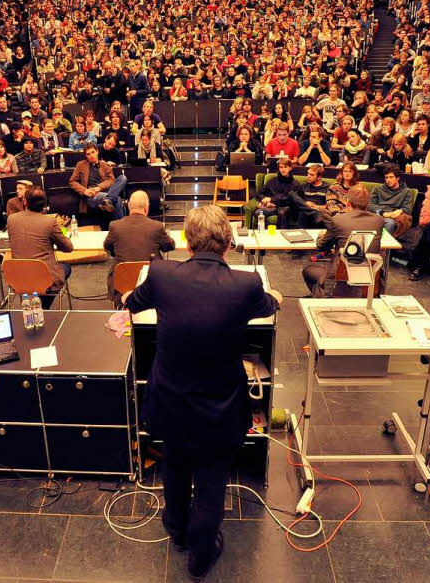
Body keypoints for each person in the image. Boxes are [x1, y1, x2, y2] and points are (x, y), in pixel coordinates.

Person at [122, 204, 281, 579]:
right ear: (228, 242)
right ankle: (201, 555)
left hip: (170, 401)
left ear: (186, 243)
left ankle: (177, 532)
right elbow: (269, 306)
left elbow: (133, 302)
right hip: (220, 406)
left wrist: (134, 293)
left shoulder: (161, 274)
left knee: (175, 465)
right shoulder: (246, 284)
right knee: (212, 477)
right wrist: (276, 296)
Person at [302, 184, 385, 295]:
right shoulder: (379, 221)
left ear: (347, 203)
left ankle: (324, 296)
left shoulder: (338, 220)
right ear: (368, 204)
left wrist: (322, 235)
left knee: (308, 270)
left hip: (340, 278)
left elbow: (322, 245)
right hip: (369, 278)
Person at [5, 187, 73, 306]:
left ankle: (38, 306)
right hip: (43, 278)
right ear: (45, 205)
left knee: (40, 273)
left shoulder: (11, 219)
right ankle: (42, 307)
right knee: (66, 267)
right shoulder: (49, 222)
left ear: (25, 201)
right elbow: (68, 248)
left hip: (17, 276)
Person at [103, 190, 174, 302]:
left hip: (121, 283)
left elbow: (107, 246)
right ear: (147, 207)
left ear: (129, 205)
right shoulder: (157, 227)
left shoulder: (115, 226)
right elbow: (169, 246)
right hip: (150, 281)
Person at [69, 144, 127, 219]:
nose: (91, 155)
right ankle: (120, 227)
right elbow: (72, 181)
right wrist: (84, 191)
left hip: (105, 192)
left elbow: (111, 180)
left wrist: (99, 187)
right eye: (88, 154)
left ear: (97, 152)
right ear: (86, 156)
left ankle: (108, 199)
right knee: (117, 199)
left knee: (123, 178)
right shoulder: (80, 165)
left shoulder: (105, 165)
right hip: (91, 195)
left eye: (93, 152)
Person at [368, 166, 414, 238]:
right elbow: (371, 205)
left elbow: (407, 208)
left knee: (390, 223)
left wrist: (400, 211)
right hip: (379, 214)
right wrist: (383, 213)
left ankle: (385, 248)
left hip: (393, 216)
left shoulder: (407, 191)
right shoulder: (378, 189)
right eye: (386, 177)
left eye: (391, 177)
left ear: (398, 178)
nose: (388, 180)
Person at [256, 158, 298, 228]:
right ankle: (266, 232)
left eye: (285, 167)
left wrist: (271, 200)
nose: (283, 169)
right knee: (258, 213)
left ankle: (282, 235)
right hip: (272, 206)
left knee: (282, 212)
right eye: (281, 167)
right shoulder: (272, 181)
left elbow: (288, 200)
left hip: (286, 206)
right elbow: (259, 193)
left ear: (290, 168)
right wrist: (264, 201)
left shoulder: (295, 184)